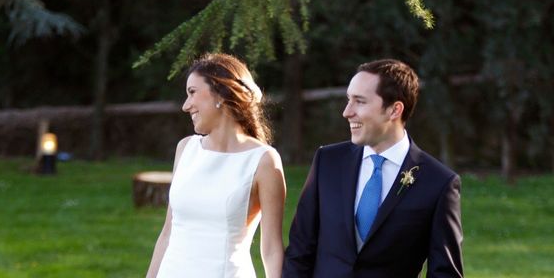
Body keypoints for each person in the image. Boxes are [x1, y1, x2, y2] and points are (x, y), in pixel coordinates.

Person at [282, 59, 464, 278]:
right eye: (348, 100)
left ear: (394, 110)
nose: (347, 112)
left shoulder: (438, 183)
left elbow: (445, 273)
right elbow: (300, 251)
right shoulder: (327, 162)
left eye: (359, 101)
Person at [147, 53, 286, 278]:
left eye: (192, 93)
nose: (186, 106)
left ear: (221, 93)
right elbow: (168, 232)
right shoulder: (186, 149)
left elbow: (271, 249)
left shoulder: (264, 161)